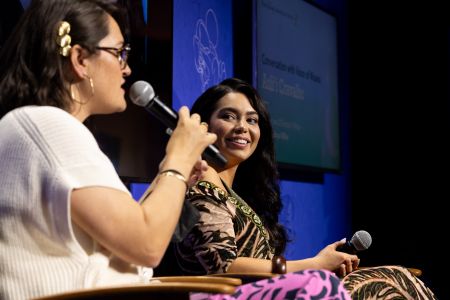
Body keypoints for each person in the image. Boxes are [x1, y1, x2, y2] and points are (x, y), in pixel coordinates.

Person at [0, 0, 217, 299]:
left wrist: (171, 176)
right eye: (119, 53)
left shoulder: (38, 127)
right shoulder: (47, 124)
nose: (127, 69)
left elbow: (123, 238)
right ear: (79, 59)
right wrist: (178, 158)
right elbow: (147, 245)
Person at [173, 78, 437, 299]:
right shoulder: (204, 188)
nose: (242, 127)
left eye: (252, 120)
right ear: (203, 125)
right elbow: (224, 265)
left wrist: (315, 266)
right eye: (229, 116)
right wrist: (312, 266)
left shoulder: (232, 192)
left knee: (393, 278)